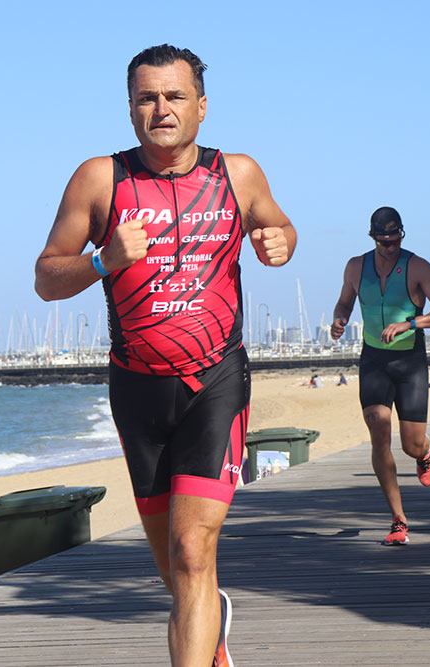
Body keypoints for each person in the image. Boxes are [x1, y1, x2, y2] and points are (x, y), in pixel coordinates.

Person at [34, 44, 296, 667]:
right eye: (147, 98)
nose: (161, 109)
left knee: (190, 552)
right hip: (138, 389)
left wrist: (280, 241)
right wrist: (103, 260)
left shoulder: (238, 174)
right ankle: (211, 626)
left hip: (215, 382)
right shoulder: (100, 179)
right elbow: (46, 277)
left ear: (202, 106)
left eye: (175, 96)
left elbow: (281, 227)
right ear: (129, 108)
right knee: (173, 569)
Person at [330, 206, 430, 545]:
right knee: (378, 427)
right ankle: (398, 519)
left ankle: (424, 453)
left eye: (395, 240)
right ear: (373, 238)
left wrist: (410, 323)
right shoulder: (356, 267)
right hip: (374, 359)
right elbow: (344, 302)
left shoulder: (417, 266)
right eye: (384, 242)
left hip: (409, 361)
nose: (390, 247)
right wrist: (339, 319)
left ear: (402, 235)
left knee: (411, 444)